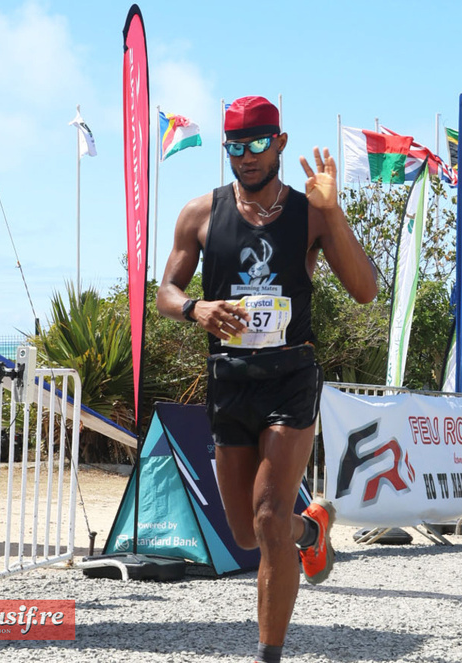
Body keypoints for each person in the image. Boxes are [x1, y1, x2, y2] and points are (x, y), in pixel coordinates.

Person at [156, 95, 377, 663]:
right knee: (249, 533)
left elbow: (365, 290)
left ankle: (268, 654)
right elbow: (165, 292)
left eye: (258, 144)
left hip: (289, 376)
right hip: (230, 379)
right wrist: (196, 310)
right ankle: (311, 533)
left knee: (268, 513)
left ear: (280, 143)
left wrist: (335, 213)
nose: (247, 157)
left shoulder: (309, 212)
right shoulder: (199, 214)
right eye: (236, 146)